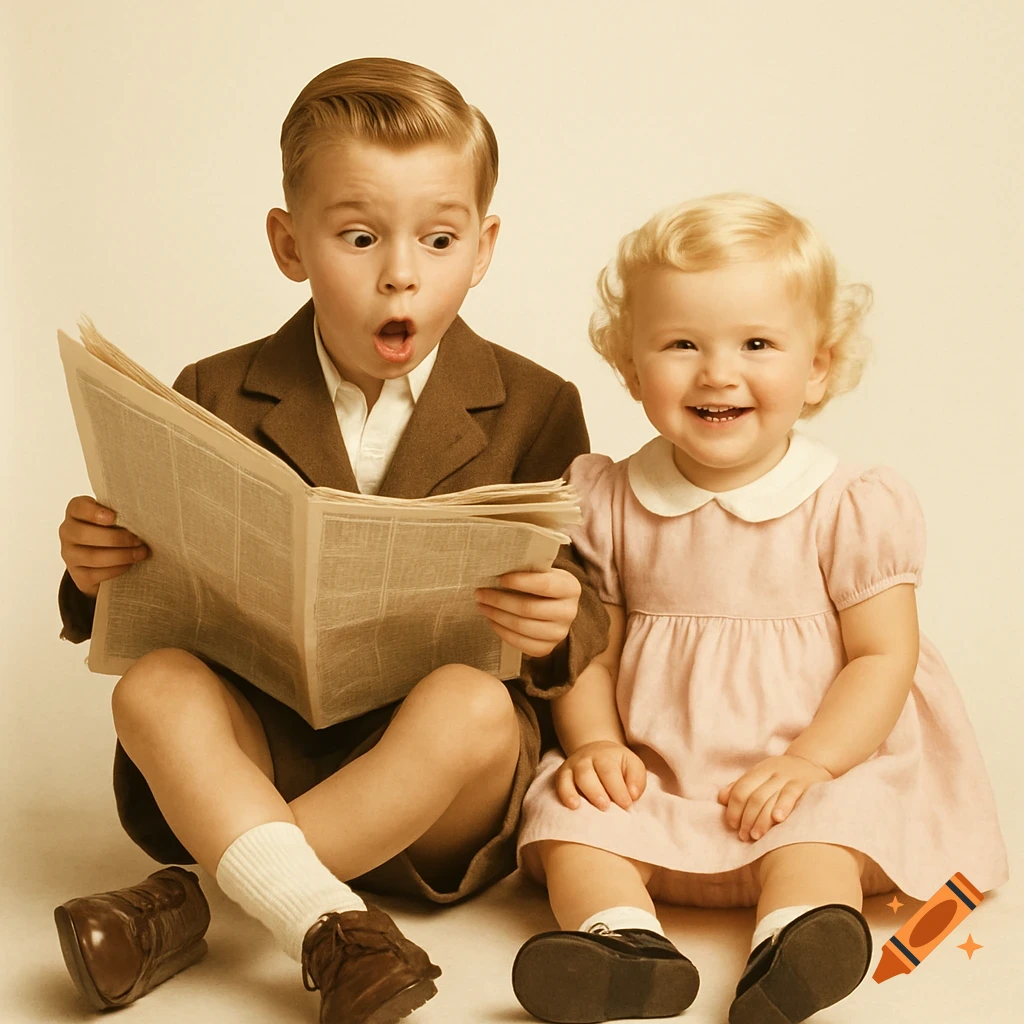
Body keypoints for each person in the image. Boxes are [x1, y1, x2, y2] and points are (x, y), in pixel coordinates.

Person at [53, 57, 608, 1024]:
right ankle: (325, 922)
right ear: (288, 242)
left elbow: (589, 593)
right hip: (255, 760)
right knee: (153, 686)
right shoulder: (215, 389)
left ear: (483, 248)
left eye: (438, 240)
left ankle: (194, 904)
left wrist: (560, 619)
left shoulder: (537, 403)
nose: (401, 271)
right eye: (359, 236)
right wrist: (92, 567)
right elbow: (149, 596)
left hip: (430, 795)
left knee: (473, 704)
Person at [510, 193, 1008, 1024]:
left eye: (757, 344)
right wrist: (596, 742)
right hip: (658, 768)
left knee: (832, 828)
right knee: (571, 813)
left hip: (811, 764)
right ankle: (623, 945)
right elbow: (592, 648)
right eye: (680, 344)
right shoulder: (608, 498)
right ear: (630, 367)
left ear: (818, 365)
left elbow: (883, 657)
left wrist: (813, 761)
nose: (717, 371)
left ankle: (797, 941)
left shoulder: (847, 503)